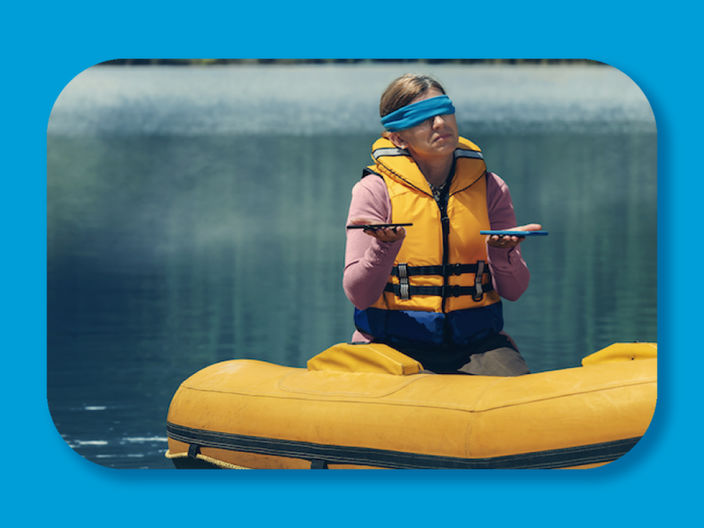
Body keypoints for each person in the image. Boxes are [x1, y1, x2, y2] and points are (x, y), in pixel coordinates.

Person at [343, 73, 542, 376]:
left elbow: (514, 290)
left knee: (521, 400)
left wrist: (504, 255)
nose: (439, 122)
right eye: (422, 117)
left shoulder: (491, 188)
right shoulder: (374, 190)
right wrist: (384, 247)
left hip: (477, 344)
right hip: (389, 345)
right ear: (397, 137)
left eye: (444, 110)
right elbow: (359, 295)